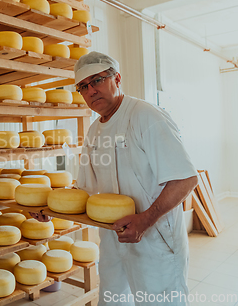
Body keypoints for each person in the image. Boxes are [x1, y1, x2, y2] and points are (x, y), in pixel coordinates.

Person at [72, 52, 198, 306]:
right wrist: (48, 210)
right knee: (113, 301)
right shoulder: (94, 131)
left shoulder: (147, 116)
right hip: (113, 240)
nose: (91, 91)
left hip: (154, 241)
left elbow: (186, 179)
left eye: (97, 80)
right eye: (83, 87)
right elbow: (82, 188)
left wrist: (145, 220)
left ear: (116, 78)